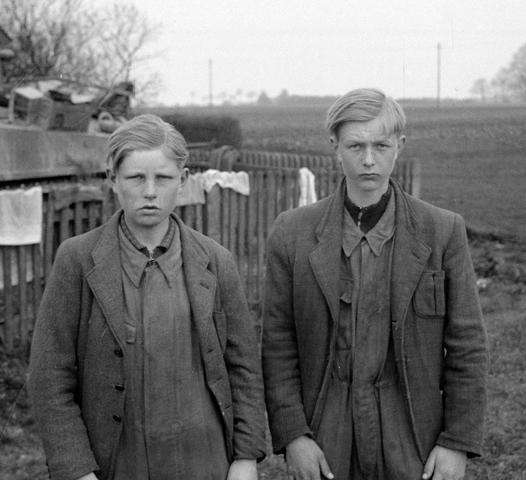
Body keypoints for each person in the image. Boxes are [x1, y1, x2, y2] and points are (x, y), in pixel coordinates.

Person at [261, 88, 488, 480]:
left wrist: (456, 442)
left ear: (400, 146)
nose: (368, 160)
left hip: (412, 433)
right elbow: (279, 345)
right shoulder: (291, 233)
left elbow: (467, 346)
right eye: (355, 145)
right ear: (335, 146)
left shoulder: (442, 231)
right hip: (325, 431)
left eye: (380, 145)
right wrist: (294, 436)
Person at [28, 114, 265, 480]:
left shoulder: (215, 261)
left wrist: (246, 458)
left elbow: (244, 368)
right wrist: (76, 469)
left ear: (183, 181)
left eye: (164, 178)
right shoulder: (76, 260)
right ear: (112, 180)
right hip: (117, 463)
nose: (150, 191)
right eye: (136, 177)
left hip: (204, 461)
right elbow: (49, 377)